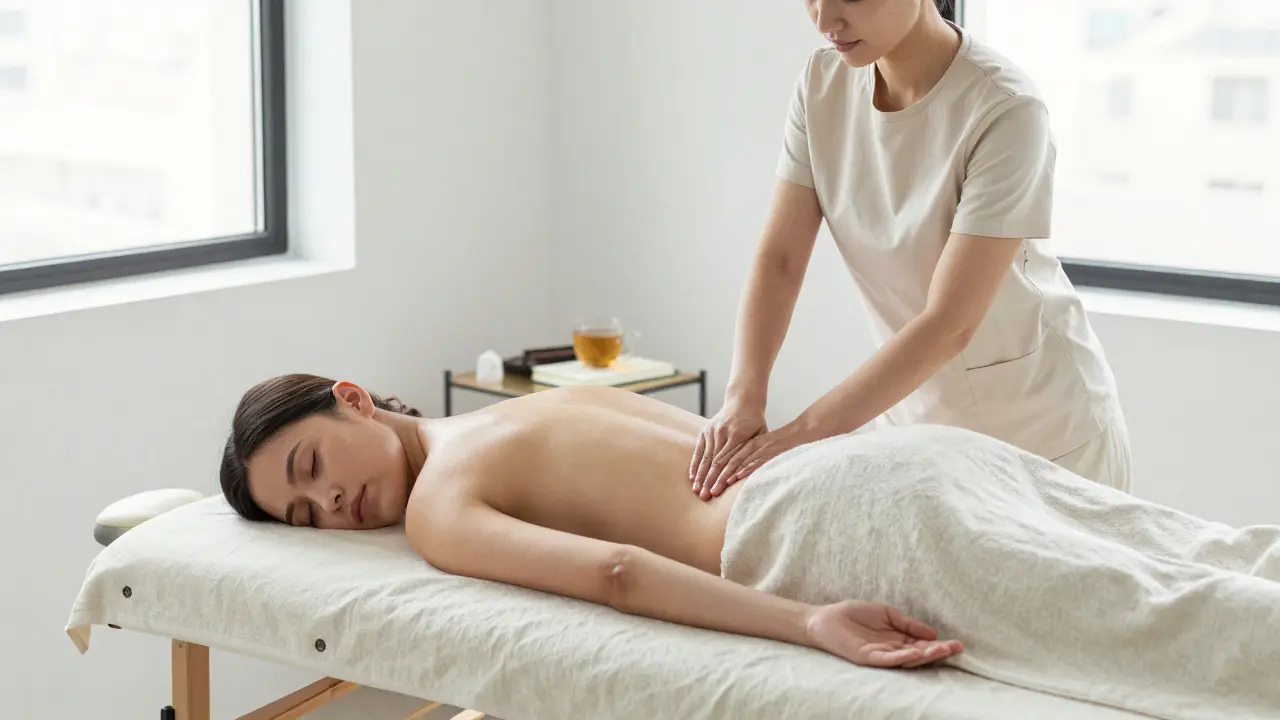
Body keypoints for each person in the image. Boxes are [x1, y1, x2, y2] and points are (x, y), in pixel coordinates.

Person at [218, 373, 1280, 717]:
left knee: (1143, 622)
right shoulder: (530, 403)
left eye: (310, 470)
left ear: (350, 399)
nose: (334, 508)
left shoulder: (442, 505)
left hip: (825, 519)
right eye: (302, 517)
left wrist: (806, 620)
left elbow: (619, 572)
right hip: (896, 461)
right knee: (1191, 553)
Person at [689, 0, 1131, 501]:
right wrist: (742, 397)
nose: (825, 19)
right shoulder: (822, 83)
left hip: (1045, 438)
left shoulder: (1005, 108)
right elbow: (781, 261)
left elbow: (949, 323)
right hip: (918, 434)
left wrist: (801, 437)